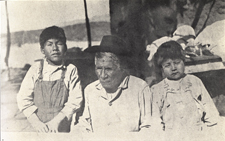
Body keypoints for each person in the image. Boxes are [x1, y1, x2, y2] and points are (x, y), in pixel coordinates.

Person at [71, 35, 161, 133]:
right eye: (99, 68)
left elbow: (151, 126)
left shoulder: (139, 88)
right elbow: (85, 124)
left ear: (122, 68)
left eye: (108, 69)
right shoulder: (91, 90)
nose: (102, 75)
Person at [17, 26, 83, 133]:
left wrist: (56, 121)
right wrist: (36, 123)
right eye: (49, 44)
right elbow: (23, 99)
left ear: (65, 48)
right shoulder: (36, 69)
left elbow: (75, 101)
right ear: (42, 50)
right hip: (38, 128)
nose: (55, 48)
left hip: (61, 127)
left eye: (59, 43)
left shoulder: (71, 70)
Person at [151, 40, 220, 132]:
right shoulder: (157, 90)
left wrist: (211, 131)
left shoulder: (194, 82)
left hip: (197, 134)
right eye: (167, 65)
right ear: (162, 68)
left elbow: (211, 113)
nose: (173, 68)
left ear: (183, 62)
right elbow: (155, 122)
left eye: (177, 62)